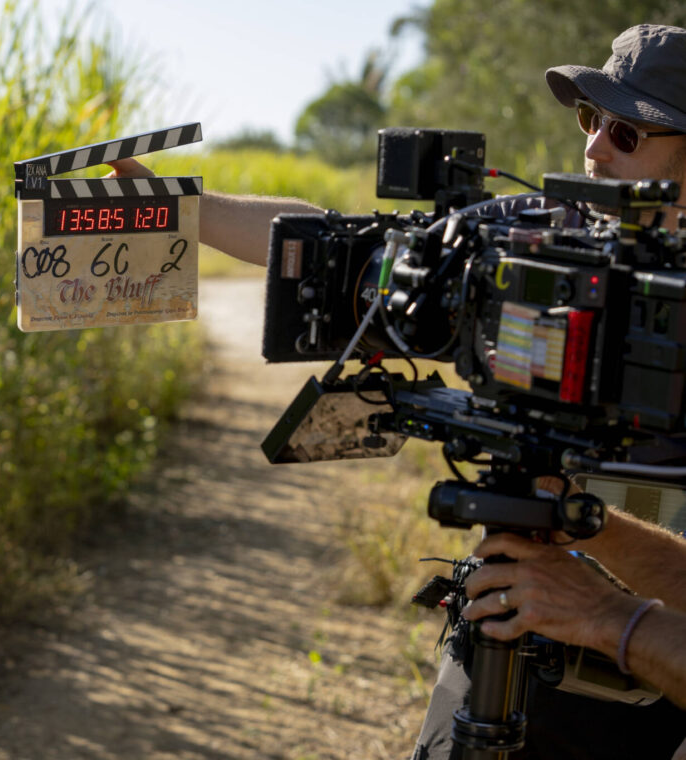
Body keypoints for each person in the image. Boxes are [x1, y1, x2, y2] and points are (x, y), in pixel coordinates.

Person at [110, 21, 686, 760]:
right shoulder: (542, 229)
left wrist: (600, 576)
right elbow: (349, 250)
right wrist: (174, 207)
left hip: (651, 677)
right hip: (512, 620)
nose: (593, 148)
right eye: (590, 118)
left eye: (627, 134)